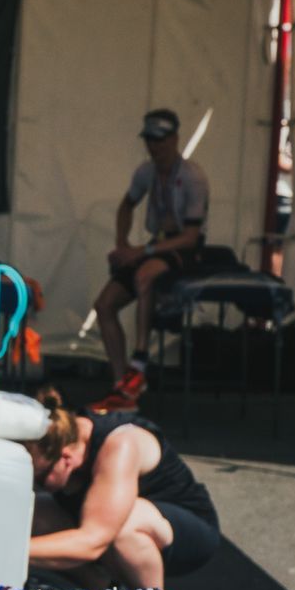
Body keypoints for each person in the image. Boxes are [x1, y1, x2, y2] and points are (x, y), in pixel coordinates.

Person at [26, 389, 220, 590]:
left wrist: (14, 550)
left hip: (186, 528)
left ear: (66, 458)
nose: (37, 485)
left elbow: (92, 542)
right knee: (34, 511)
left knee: (125, 526)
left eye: (41, 478)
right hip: (107, 529)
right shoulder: (67, 434)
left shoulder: (120, 445)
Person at [92, 109, 210, 404]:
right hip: (157, 244)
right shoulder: (146, 172)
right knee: (104, 305)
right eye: (149, 140)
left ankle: (140, 359)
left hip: (185, 249)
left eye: (160, 140)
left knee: (146, 275)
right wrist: (122, 244)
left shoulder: (192, 177)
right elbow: (126, 206)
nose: (154, 147)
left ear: (174, 139)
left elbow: (190, 237)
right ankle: (121, 383)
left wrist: (141, 251)